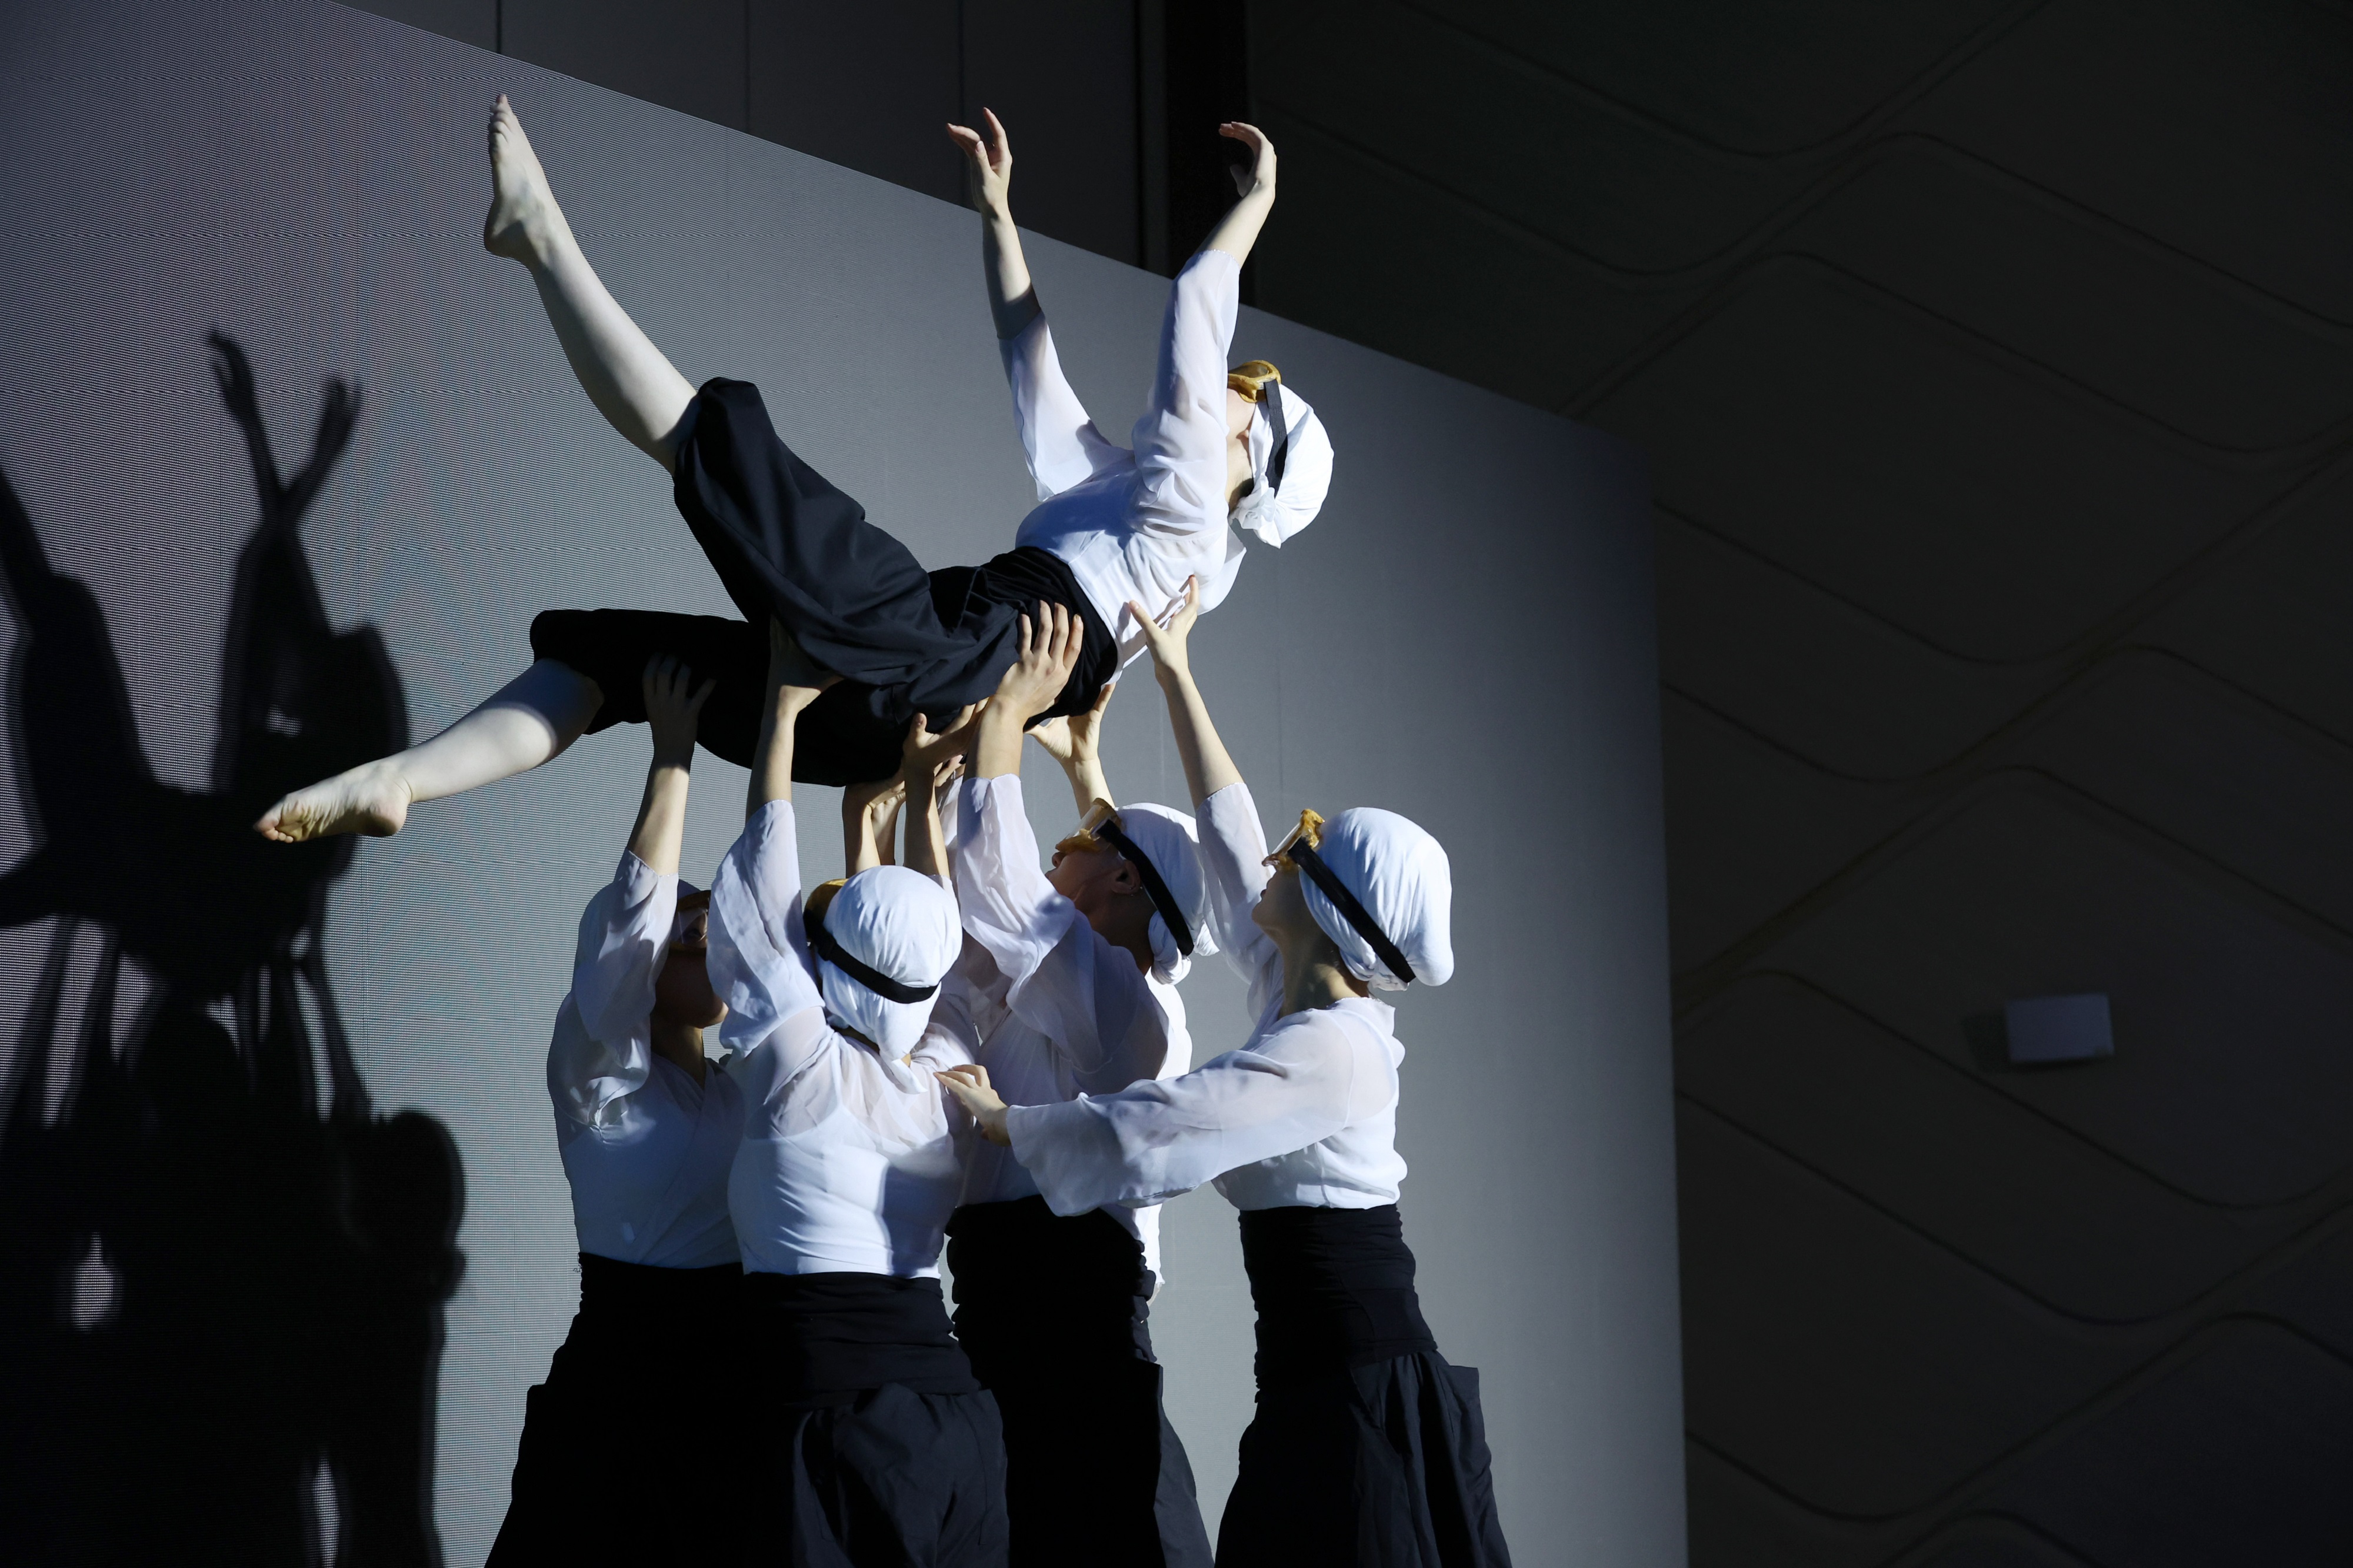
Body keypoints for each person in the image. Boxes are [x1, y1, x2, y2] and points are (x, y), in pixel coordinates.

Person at [254, 101, 1331, 843]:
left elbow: (1198, 300)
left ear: (1255, 456)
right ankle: (399, 780)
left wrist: (1262, 201)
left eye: (1243, 397)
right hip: (922, 679)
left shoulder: (1193, 519)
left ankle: (541, 239)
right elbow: (1031, 361)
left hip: (951, 651)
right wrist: (999, 215)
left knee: (723, 444)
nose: (1223, 392)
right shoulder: (1138, 507)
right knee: (629, 663)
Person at [939, 579, 1512, 1568]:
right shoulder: (1298, 992)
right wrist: (1177, 676)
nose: (1275, 859)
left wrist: (1007, 1123)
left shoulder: (1334, 1048)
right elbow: (1230, 834)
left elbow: (1173, 1125)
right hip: (1314, 1370)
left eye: (1301, 853)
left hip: (1356, 1379)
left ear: (1328, 907)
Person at [711, 619, 1006, 1563]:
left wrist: (783, 713)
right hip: (956, 1421)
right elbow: (926, 959)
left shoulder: (796, 1057)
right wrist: (916, 798)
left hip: (827, 1412)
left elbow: (764, 879)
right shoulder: (944, 1076)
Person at [938, 605, 1217, 1566]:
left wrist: (1008, 714)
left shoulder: (1133, 1012)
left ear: (1126, 883)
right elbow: (987, 923)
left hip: (1070, 1339)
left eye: (1087, 835)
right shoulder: (1078, 990)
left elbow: (1012, 894)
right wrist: (1072, 766)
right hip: (1016, 1317)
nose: (1064, 841)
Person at [487, 656, 748, 1567]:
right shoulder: (599, 1080)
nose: (708, 943)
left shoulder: (740, 1086)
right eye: (689, 932)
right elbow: (626, 937)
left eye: (709, 928)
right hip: (624, 1392)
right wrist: (673, 759)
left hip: (729, 1395)